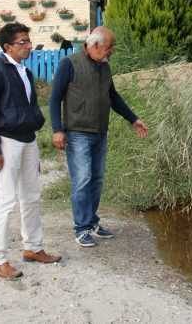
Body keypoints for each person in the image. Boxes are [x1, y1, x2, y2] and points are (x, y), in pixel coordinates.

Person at [0, 23, 62, 280]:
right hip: (6, 141)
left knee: (32, 195)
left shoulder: (24, 71)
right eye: (22, 42)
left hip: (28, 140)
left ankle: (33, 248)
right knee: (5, 200)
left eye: (28, 41)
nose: (28, 46)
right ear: (7, 46)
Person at [49, 26, 148, 247]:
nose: (110, 52)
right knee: (82, 179)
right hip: (77, 133)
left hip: (100, 132)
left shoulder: (105, 67)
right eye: (107, 48)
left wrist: (133, 119)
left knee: (97, 179)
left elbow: (113, 97)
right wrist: (57, 129)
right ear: (94, 45)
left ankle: (92, 222)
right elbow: (54, 98)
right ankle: (81, 227)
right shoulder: (69, 64)